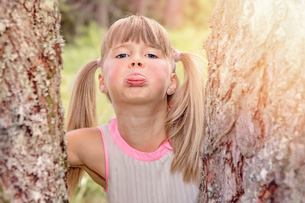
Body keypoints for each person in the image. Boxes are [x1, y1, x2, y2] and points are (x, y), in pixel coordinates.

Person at [66, 15, 206, 203]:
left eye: (151, 55)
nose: (136, 61)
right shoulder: (92, 146)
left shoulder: (196, 137)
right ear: (102, 82)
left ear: (172, 82)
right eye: (122, 55)